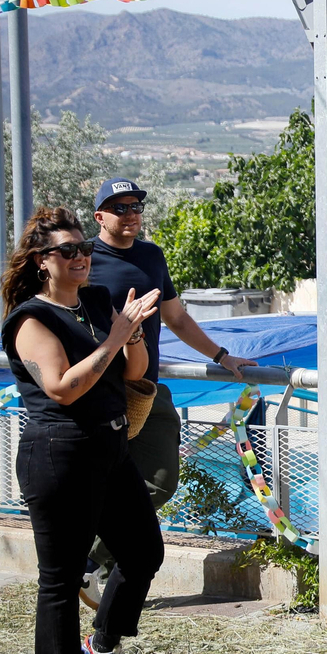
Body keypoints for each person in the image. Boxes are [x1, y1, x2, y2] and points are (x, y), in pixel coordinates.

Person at [0, 207, 164, 654]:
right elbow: (62, 389)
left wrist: (131, 334)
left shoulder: (94, 301)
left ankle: (105, 642)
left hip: (110, 446)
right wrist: (115, 338)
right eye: (68, 251)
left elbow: (135, 368)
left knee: (143, 553)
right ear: (41, 261)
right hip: (60, 454)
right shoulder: (31, 318)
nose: (81, 258)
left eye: (85, 249)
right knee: (62, 577)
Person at [82, 178, 257, 606]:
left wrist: (222, 356)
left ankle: (88, 563)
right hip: (97, 391)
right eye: (119, 208)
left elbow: (177, 318)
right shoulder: (82, 258)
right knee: (94, 485)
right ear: (99, 216)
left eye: (136, 206)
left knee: (160, 481)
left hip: (145, 390)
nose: (131, 214)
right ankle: (83, 572)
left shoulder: (151, 256)